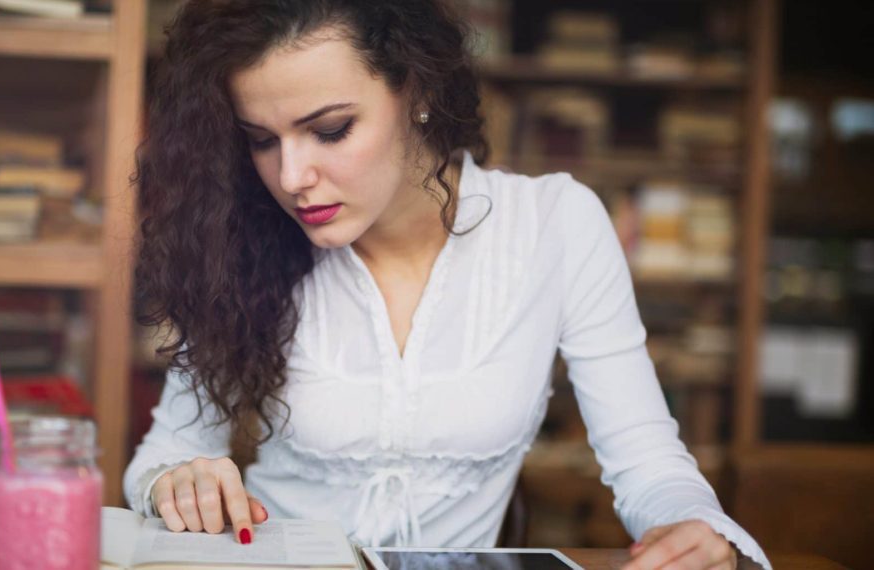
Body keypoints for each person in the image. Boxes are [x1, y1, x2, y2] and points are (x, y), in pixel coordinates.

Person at [125, 1, 770, 569]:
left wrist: (693, 528)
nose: (292, 177)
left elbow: (647, 462)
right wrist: (173, 484)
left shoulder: (556, 225)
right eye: (263, 141)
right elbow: (168, 451)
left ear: (416, 91)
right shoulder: (242, 240)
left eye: (330, 131)